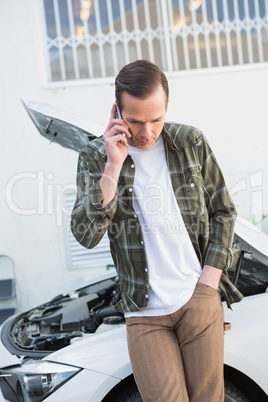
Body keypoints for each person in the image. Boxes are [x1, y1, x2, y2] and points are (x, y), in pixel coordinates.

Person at [71, 60, 243, 402]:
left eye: (156, 119)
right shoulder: (94, 157)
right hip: (144, 313)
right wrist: (113, 166)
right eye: (135, 121)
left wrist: (208, 282)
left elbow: (224, 210)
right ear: (117, 111)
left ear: (167, 108)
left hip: (199, 299)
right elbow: (85, 235)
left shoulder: (190, 142)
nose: (147, 132)